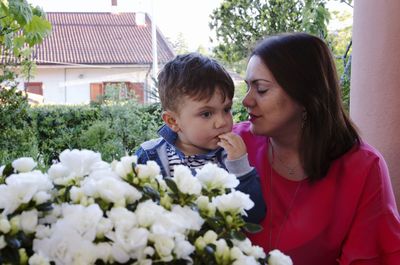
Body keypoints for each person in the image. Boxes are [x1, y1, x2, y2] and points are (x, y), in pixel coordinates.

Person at [233, 32, 400, 264]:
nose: (246, 100)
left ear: (305, 96)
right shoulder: (235, 145)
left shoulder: (363, 168)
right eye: (248, 87)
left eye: (260, 89)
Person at [135, 52, 266, 224]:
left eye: (226, 109)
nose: (221, 122)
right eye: (206, 114)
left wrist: (240, 167)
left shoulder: (229, 157)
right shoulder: (152, 157)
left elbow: (255, 217)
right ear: (173, 121)